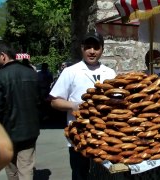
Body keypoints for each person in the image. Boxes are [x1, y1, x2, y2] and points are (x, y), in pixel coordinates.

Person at [49, 31, 116, 180]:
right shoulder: (71, 72)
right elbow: (54, 101)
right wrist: (73, 106)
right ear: (82, 48)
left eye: (96, 47)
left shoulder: (110, 73)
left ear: (102, 50)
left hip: (105, 137)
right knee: (81, 175)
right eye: (88, 47)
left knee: (104, 176)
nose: (92, 51)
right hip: (79, 137)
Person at [0, 42, 40, 179]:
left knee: (11, 169)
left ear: (3, 56)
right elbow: (40, 101)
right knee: (26, 167)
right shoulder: (31, 73)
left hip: (7, 131)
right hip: (30, 131)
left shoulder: (0, 76)